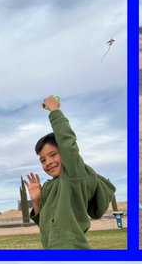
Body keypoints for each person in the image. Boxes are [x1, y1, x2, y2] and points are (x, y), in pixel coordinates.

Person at [23, 96, 116, 249]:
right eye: (43, 160)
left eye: (53, 155)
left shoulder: (74, 175)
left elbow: (68, 143)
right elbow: (46, 226)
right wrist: (36, 201)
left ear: (64, 154)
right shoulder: (48, 187)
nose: (48, 162)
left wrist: (54, 111)